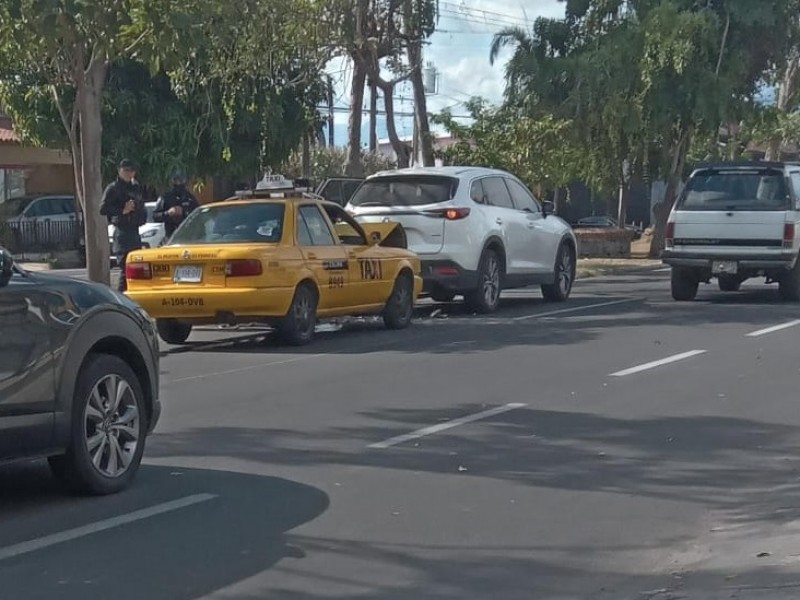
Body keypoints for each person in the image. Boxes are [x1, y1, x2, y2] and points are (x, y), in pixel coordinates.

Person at [100, 159, 146, 292]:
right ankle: (120, 300)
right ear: (119, 171)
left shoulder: (136, 187)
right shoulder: (113, 188)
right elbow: (102, 208)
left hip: (135, 232)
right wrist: (122, 211)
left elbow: (141, 206)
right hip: (122, 233)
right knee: (125, 270)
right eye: (125, 170)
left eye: (131, 171)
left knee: (136, 270)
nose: (128, 173)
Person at [153, 170, 199, 238]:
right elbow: (155, 216)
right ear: (173, 181)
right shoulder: (166, 197)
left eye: (181, 180)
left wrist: (184, 212)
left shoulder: (190, 198)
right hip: (171, 236)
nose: (179, 183)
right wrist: (168, 213)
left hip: (188, 236)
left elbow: (198, 216)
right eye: (176, 180)